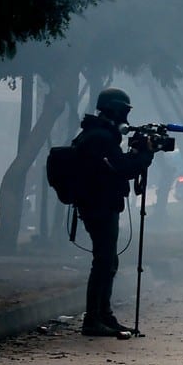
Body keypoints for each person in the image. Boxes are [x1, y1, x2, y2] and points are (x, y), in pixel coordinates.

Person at [73, 87, 155, 337]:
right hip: (98, 205)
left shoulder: (100, 135)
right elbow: (121, 169)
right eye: (124, 112)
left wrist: (137, 156)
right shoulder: (100, 137)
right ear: (115, 110)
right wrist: (143, 158)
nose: (126, 118)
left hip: (102, 203)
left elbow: (116, 166)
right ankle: (93, 319)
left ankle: (104, 315)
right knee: (103, 261)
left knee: (108, 260)